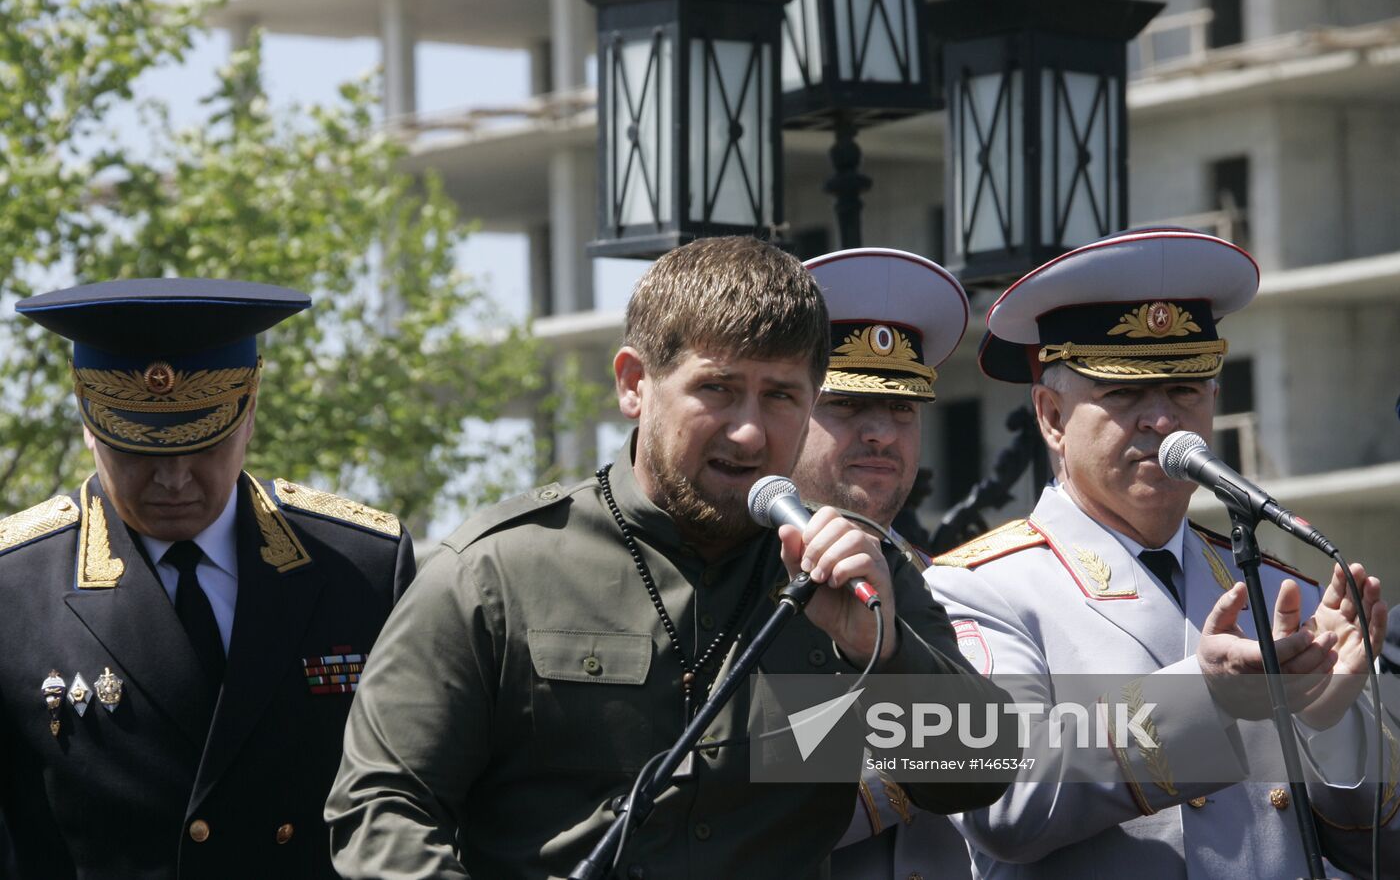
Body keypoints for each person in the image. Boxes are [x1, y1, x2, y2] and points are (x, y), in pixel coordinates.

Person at [325, 236, 1009, 879]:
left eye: (780, 396)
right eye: (717, 388)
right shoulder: (493, 571)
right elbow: (382, 808)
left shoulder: (857, 572)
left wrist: (883, 651)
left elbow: (975, 773)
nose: (748, 429)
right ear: (634, 383)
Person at [924, 228, 1394, 877]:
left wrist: (1328, 722)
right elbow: (1003, 797)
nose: (1162, 419)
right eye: (1123, 393)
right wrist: (1206, 697)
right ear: (1052, 416)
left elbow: (1379, 849)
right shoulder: (979, 588)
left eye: (1183, 390)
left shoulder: (1282, 591)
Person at [0, 279, 416, 879]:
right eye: (138, 450)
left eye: (203, 446)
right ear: (90, 424)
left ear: (248, 414)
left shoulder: (361, 565)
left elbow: (413, 794)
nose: (173, 479)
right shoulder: (16, 586)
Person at [782, 248, 981, 880]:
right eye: (845, 405)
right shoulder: (733, 577)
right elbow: (752, 793)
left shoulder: (950, 583)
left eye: (902, 408)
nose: (882, 433)